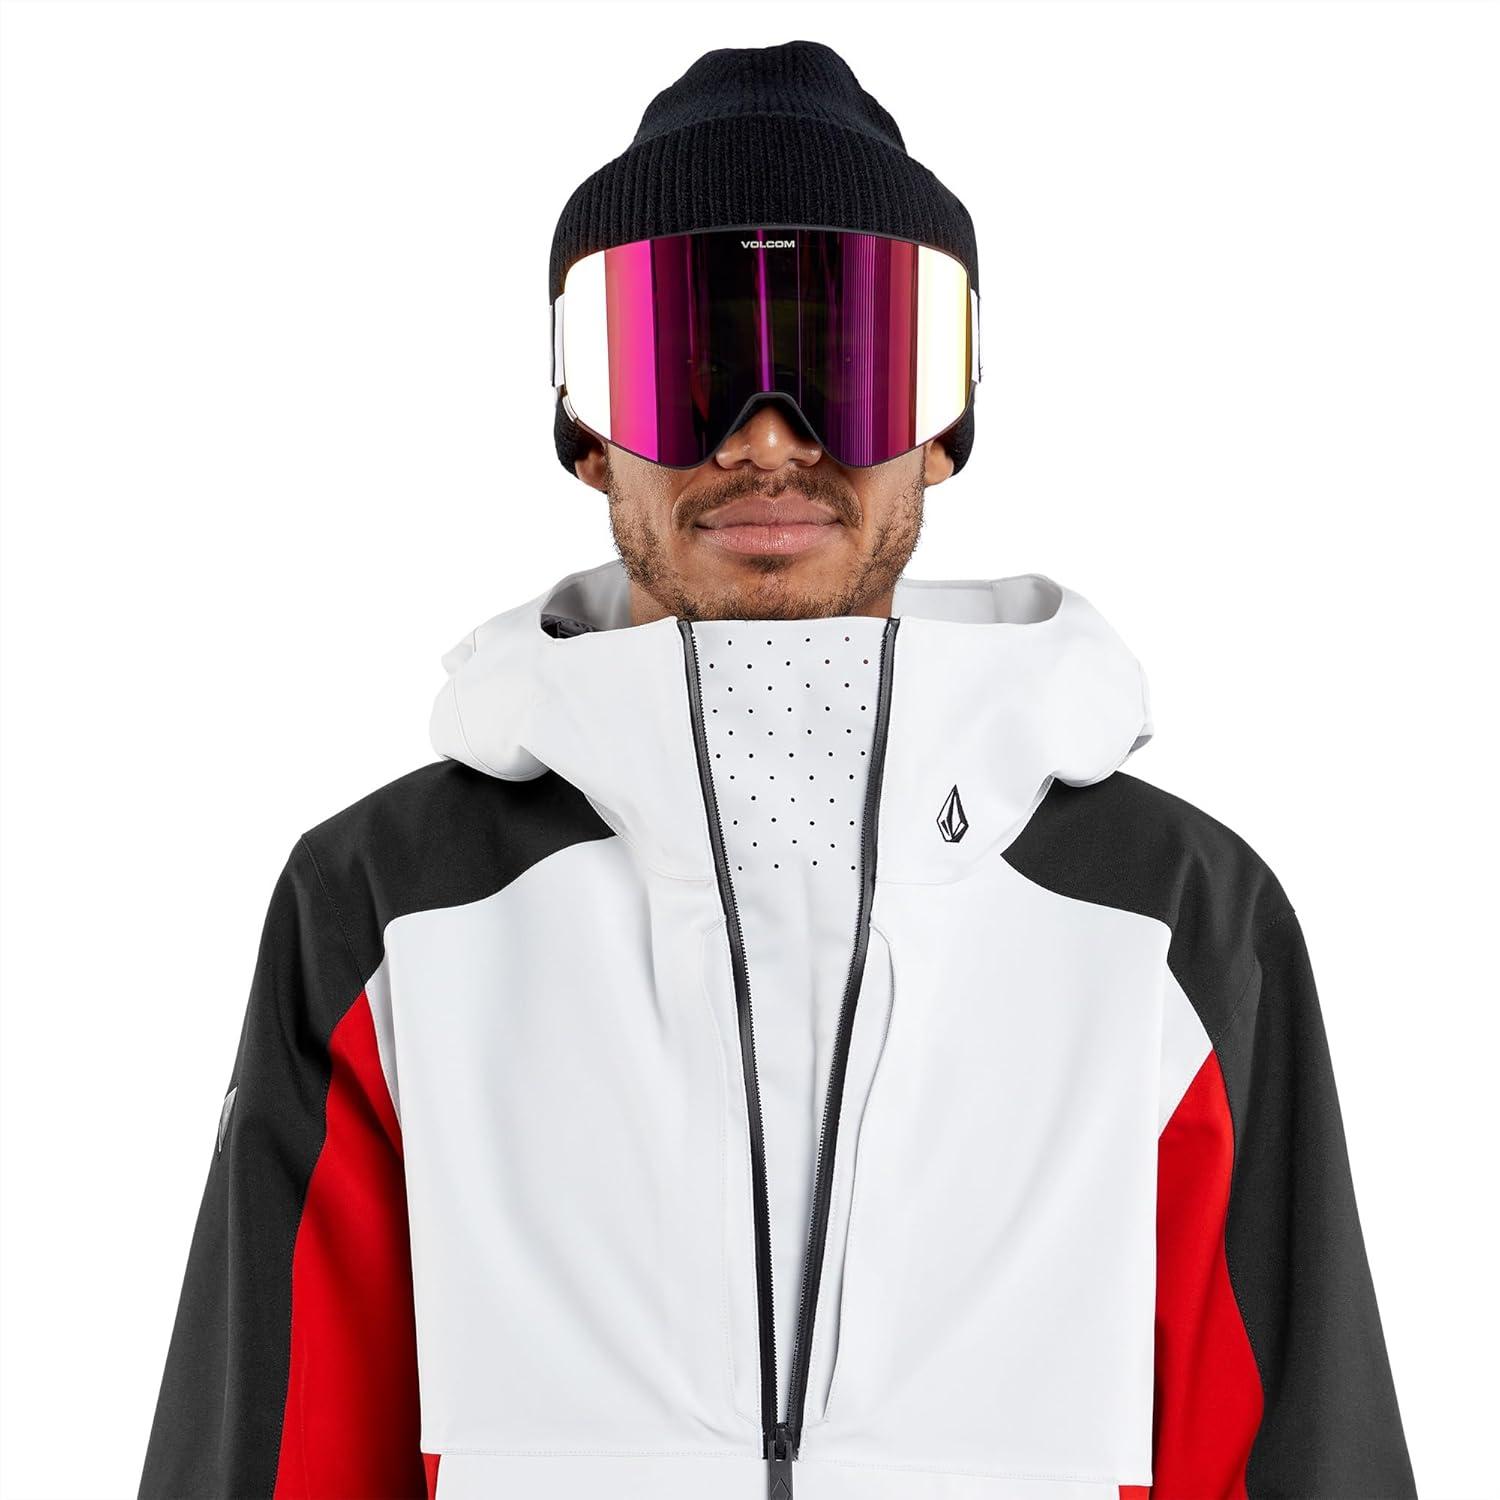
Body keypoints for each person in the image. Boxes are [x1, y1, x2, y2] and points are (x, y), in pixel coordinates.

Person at [139, 39, 1416, 1500]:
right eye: (689, 364)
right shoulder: (388, 911)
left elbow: (1298, 1452)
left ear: (942, 426)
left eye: (842, 363)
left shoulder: (1171, 918)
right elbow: (278, 1452)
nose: (764, 438)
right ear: (585, 431)